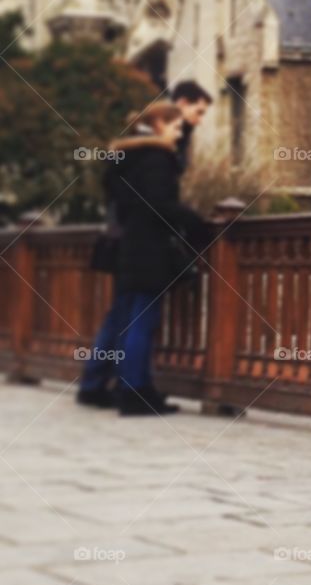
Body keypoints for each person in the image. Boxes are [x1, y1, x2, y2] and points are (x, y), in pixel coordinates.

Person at [77, 101, 209, 416]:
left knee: (121, 317)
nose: (179, 135)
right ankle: (134, 390)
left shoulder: (125, 158)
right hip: (149, 249)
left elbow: (124, 202)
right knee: (142, 320)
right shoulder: (157, 159)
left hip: (125, 248)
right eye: (176, 127)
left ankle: (94, 384)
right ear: (159, 125)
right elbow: (159, 204)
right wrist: (196, 223)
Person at [170, 80, 213, 174]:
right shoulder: (157, 137)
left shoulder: (184, 133)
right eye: (199, 112)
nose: (199, 121)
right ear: (182, 103)